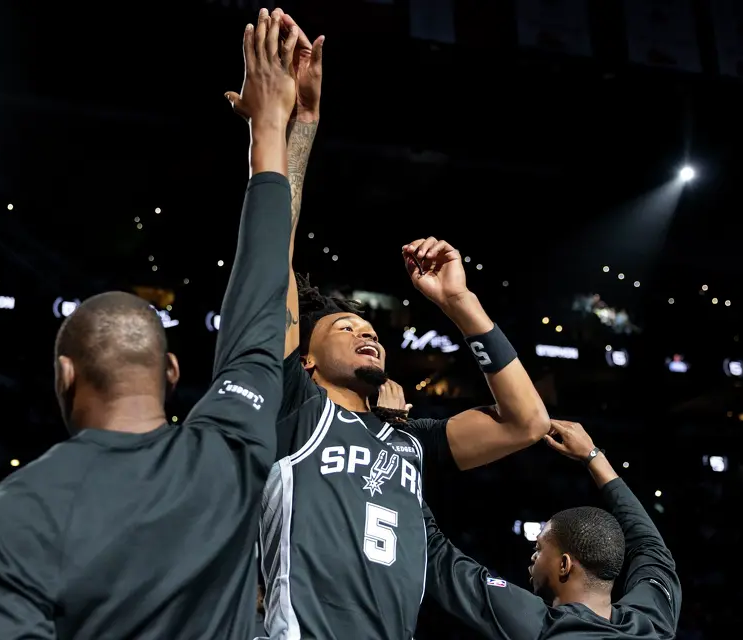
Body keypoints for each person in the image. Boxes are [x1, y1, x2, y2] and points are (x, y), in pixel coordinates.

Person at [0, 8, 298, 638]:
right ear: (170, 370)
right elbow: (257, 308)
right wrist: (273, 129)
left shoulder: (16, 512)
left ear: (64, 373)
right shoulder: (229, 450)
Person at [249, 20, 551, 636]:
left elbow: (528, 423)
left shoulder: (410, 439)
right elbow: (273, 247)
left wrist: (462, 305)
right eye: (343, 327)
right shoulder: (294, 406)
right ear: (304, 359)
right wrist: (297, 128)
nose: (367, 332)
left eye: (370, 326)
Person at [424, 419, 682, 639]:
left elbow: (436, 554)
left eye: (539, 548)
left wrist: (392, 452)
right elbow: (651, 545)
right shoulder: (653, 623)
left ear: (564, 564)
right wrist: (592, 456)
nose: (533, 556)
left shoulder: (543, 626)